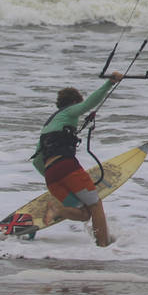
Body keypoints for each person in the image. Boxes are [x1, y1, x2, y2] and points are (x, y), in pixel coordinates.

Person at [31, 71, 123, 246]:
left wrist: (54, 176)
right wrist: (109, 83)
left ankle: (57, 210)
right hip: (66, 167)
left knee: (85, 214)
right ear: (73, 102)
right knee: (95, 205)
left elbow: (37, 161)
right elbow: (89, 104)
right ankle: (103, 246)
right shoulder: (68, 112)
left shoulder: (48, 126)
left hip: (51, 176)